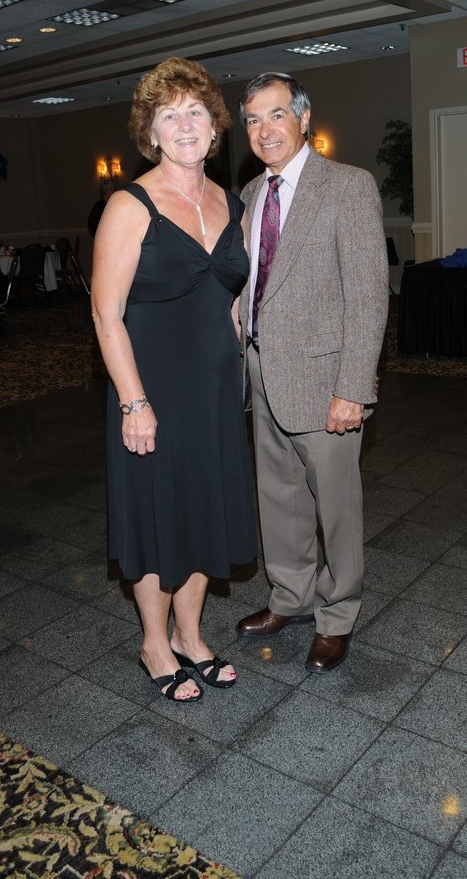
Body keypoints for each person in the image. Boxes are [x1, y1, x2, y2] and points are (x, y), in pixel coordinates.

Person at [91, 57, 258, 703]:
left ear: (214, 129)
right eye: (170, 116)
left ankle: (191, 634)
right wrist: (134, 403)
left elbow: (229, 299)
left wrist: (242, 365)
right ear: (151, 133)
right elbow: (105, 314)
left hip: (214, 392)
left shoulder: (229, 202)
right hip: (152, 390)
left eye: (195, 113)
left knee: (205, 507)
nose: (185, 125)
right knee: (157, 515)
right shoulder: (129, 205)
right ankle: (154, 643)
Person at [235, 72, 389, 673]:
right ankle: (290, 595)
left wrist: (353, 388)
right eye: (253, 119)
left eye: (276, 115)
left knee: (336, 508)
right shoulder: (251, 193)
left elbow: (368, 296)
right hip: (261, 370)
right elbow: (253, 283)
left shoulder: (347, 186)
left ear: (303, 118)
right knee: (278, 495)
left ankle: (338, 612)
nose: (264, 130)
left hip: (326, 381)